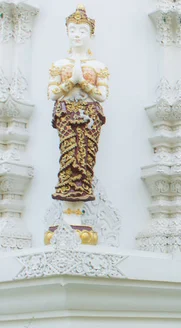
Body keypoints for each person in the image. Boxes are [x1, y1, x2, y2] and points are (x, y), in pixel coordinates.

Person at [48, 5, 109, 202]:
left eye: (82, 31)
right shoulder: (59, 65)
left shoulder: (98, 66)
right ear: (67, 32)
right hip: (65, 112)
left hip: (90, 115)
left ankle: (82, 187)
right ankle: (66, 188)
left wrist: (81, 81)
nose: (77, 35)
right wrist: (70, 82)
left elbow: (102, 95)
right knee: (69, 152)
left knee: (85, 156)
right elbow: (51, 94)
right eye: (72, 30)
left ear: (91, 34)